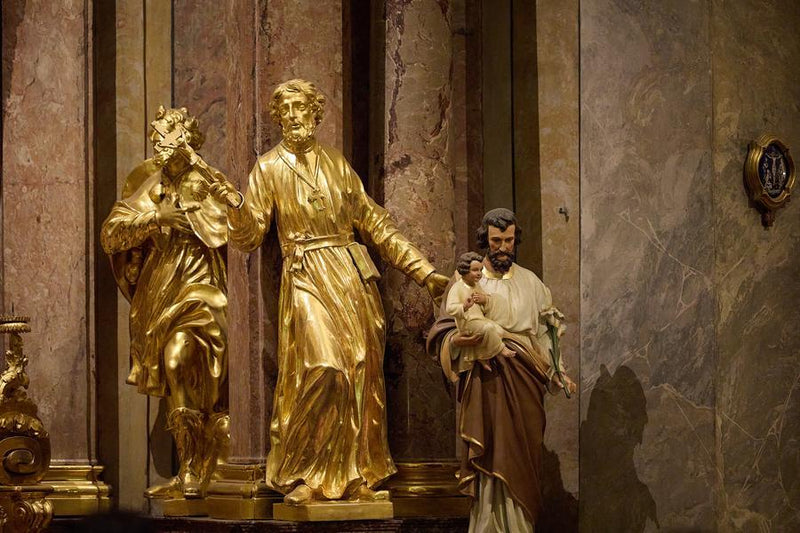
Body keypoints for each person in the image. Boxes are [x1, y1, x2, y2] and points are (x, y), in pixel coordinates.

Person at [208, 79, 450, 504]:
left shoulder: (337, 164)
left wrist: (425, 272)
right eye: (286, 111)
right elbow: (248, 237)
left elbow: (376, 224)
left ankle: (354, 475)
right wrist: (234, 205)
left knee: (358, 369)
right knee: (324, 367)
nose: (294, 117)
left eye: (301, 109)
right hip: (304, 273)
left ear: (316, 114)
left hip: (350, 277)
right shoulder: (269, 168)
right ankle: (305, 471)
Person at [101, 107, 230, 499]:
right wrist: (156, 218)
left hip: (203, 286)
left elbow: (235, 222)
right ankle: (192, 463)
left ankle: (200, 463)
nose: (160, 145)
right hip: (160, 293)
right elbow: (111, 235)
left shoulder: (207, 182)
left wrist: (197, 218)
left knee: (179, 358)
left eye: (168, 139)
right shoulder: (150, 185)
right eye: (156, 139)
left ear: (187, 142)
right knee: (177, 374)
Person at [427, 208, 575, 532]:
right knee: (489, 453)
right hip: (486, 381)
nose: (503, 247)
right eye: (496, 241)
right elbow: (445, 329)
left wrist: (558, 369)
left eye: (509, 240)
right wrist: (458, 342)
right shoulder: (466, 280)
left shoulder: (532, 283)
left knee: (523, 455)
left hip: (524, 382)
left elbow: (545, 334)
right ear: (485, 239)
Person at [445, 252, 515, 371]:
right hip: (467, 323)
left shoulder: (475, 286)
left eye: (480, 270)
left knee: (498, 330)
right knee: (488, 328)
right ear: (465, 271)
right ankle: (501, 348)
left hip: (478, 320)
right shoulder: (458, 287)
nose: (479, 273)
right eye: (474, 270)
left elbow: (483, 304)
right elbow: (450, 308)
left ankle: (482, 355)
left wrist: (484, 300)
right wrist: (464, 307)